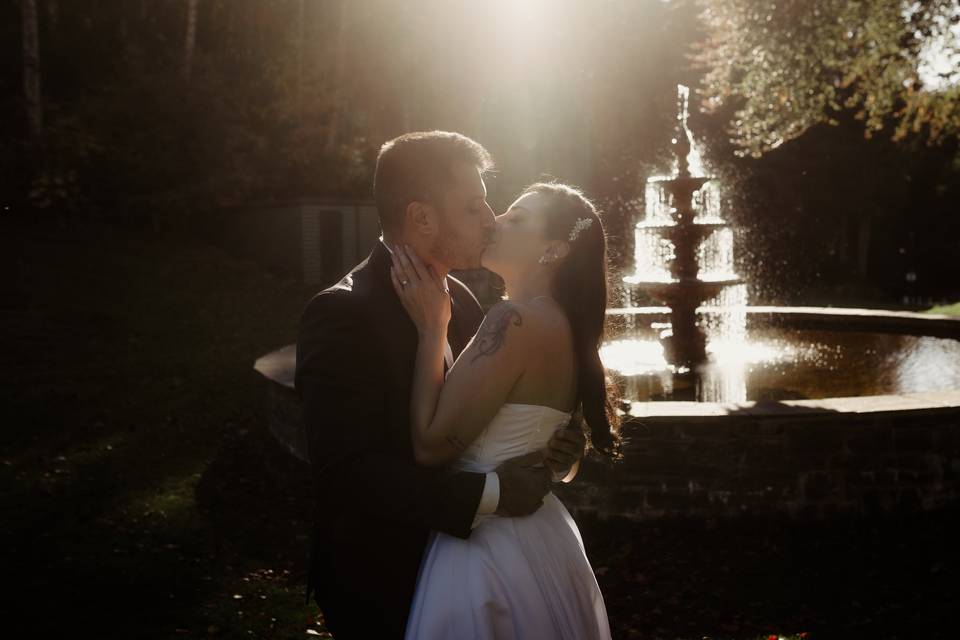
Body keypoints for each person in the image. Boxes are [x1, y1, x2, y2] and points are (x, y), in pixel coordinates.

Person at [294, 131, 587, 639]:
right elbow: (347, 474)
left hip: (473, 573)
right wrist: (493, 491)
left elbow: (477, 420)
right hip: (384, 578)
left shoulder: (467, 304)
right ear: (422, 217)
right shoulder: (342, 313)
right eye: (474, 206)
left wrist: (551, 444)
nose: (491, 219)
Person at [392, 181, 620, 639]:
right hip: (545, 540)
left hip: (489, 549)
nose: (495, 221)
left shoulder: (513, 320)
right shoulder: (568, 327)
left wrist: (431, 329)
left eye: (517, 219)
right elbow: (552, 446)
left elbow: (431, 445)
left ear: (553, 250)